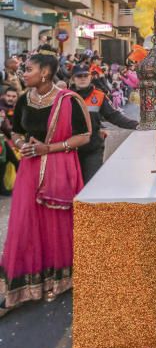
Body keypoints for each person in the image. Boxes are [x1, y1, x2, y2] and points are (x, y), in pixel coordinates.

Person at [0, 52, 91, 316]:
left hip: (59, 168)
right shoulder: (24, 99)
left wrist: (48, 148)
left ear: (45, 73)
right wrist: (21, 145)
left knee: (56, 225)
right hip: (30, 169)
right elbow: (15, 131)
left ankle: (60, 279)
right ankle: (20, 288)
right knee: (25, 223)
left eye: (28, 69)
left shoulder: (68, 100)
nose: (23, 73)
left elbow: (84, 136)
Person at [71, 64, 139, 184]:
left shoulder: (99, 96)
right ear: (73, 79)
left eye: (85, 76)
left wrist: (137, 125)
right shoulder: (65, 97)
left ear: (90, 77)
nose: (82, 78)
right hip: (70, 149)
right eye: (78, 76)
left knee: (91, 183)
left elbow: (114, 116)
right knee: (71, 185)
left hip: (93, 148)